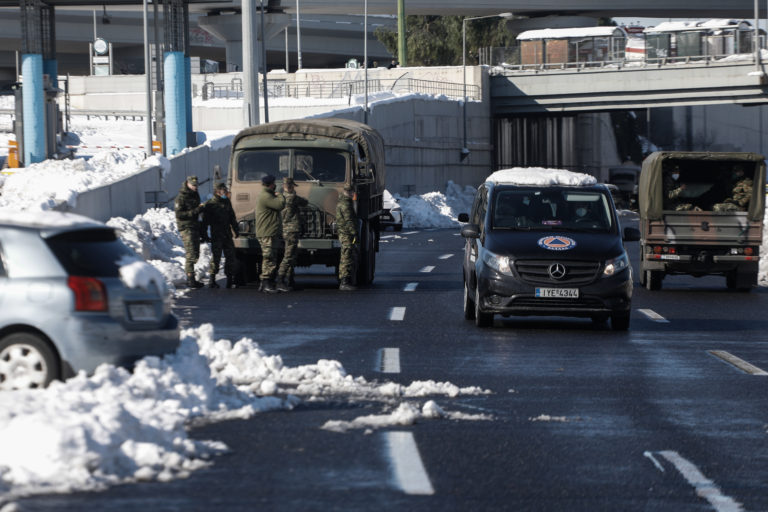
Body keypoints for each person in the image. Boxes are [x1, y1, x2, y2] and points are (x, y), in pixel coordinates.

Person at [202, 182, 239, 289]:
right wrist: (204, 235)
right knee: (216, 257)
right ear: (217, 192)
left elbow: (232, 216)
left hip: (227, 235)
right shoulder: (210, 204)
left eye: (226, 191)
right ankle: (212, 280)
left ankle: (230, 279)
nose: (226, 193)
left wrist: (236, 229)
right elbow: (205, 222)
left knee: (230, 257)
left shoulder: (226, 201)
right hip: (217, 235)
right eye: (223, 191)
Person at [255, 174, 286, 293]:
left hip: (269, 231)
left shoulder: (267, 195)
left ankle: (265, 283)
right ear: (270, 184)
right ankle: (266, 282)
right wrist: (281, 195)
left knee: (270, 257)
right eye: (274, 183)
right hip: (267, 232)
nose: (275, 185)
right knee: (269, 258)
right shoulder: (266, 196)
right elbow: (280, 205)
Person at [276, 177, 306, 292]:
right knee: (288, 256)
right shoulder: (292, 197)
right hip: (292, 230)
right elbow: (304, 202)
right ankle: (280, 279)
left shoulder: (280, 198)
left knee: (292, 254)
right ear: (291, 186)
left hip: (285, 229)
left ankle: (289, 279)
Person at [174, 175, 205, 289]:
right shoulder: (181, 197)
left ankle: (191, 277)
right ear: (187, 184)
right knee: (190, 253)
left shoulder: (195, 194)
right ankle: (190, 278)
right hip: (186, 227)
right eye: (193, 185)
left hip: (194, 226)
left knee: (196, 253)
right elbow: (179, 214)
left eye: (196, 185)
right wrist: (196, 211)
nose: (195, 187)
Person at [336, 184, 358, 291]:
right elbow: (349, 221)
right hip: (346, 234)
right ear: (346, 192)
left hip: (344, 233)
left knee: (346, 256)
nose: (352, 193)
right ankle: (344, 282)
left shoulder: (343, 202)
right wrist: (354, 233)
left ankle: (345, 280)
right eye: (350, 192)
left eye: (352, 191)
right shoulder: (346, 205)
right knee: (346, 257)